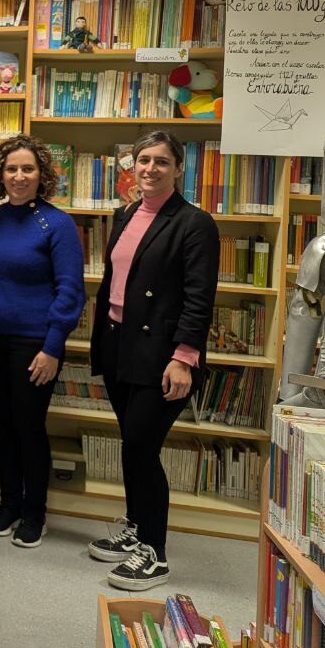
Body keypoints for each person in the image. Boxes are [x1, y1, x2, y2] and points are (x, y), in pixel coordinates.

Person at [88, 130, 217, 590]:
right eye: (143, 160)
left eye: (162, 161)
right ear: (133, 165)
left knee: (142, 447)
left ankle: (154, 553)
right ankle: (136, 528)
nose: (150, 168)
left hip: (162, 355)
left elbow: (200, 298)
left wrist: (184, 357)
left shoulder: (194, 223)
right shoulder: (125, 214)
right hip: (119, 344)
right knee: (131, 444)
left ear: (179, 168)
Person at [0, 136, 85, 549]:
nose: (19, 176)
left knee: (29, 426)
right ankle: (9, 504)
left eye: (28, 169)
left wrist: (53, 347)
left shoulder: (57, 224)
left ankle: (35, 512)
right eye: (11, 169)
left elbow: (71, 291)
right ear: (0, 175)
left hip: (35, 343)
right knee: (3, 423)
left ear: (42, 175)